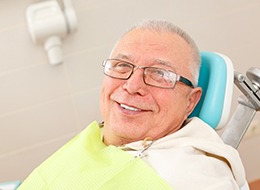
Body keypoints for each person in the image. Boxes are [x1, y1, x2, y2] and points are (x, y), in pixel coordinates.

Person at [18, 19, 248, 189]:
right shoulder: (97, 137)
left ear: (191, 101)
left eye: (159, 74)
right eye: (121, 65)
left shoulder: (194, 178)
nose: (132, 85)